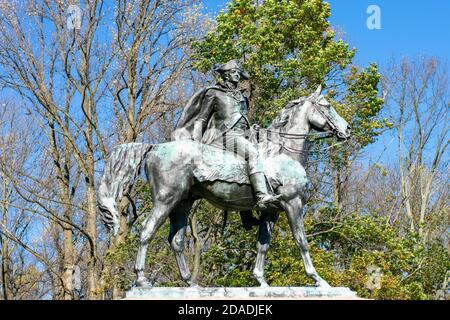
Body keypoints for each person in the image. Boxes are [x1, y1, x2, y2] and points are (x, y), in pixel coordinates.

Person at [172, 59, 281, 217]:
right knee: (253, 154)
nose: (237, 75)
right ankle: (262, 196)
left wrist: (252, 129)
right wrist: (195, 141)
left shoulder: (242, 96)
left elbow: (242, 119)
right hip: (224, 135)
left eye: (238, 72)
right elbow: (202, 118)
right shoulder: (214, 92)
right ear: (225, 75)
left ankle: (246, 214)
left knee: (261, 158)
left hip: (243, 135)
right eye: (233, 72)